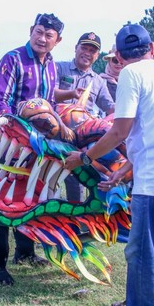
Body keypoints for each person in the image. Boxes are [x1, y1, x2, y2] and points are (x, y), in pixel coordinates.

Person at [64, 24, 154, 306]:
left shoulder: (130, 75)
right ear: (152, 48)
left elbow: (119, 131)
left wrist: (83, 157)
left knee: (140, 251)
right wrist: (126, 168)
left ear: (119, 56)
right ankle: (139, 304)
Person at [0, 13, 64, 286]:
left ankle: (25, 252)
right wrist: (18, 131)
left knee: (30, 196)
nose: (42, 38)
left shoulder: (53, 64)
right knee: (0, 199)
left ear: (58, 41)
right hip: (9, 144)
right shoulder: (13, 58)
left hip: (38, 147)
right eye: (39, 32)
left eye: (49, 35)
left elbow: (49, 103)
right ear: (31, 30)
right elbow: (2, 101)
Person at [55, 32, 115, 201]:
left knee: (77, 184)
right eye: (84, 48)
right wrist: (70, 93)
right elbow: (48, 93)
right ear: (76, 48)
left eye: (92, 50)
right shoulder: (58, 68)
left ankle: (78, 225)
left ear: (97, 56)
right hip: (54, 136)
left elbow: (110, 107)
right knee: (47, 181)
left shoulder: (98, 81)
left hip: (80, 144)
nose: (87, 53)